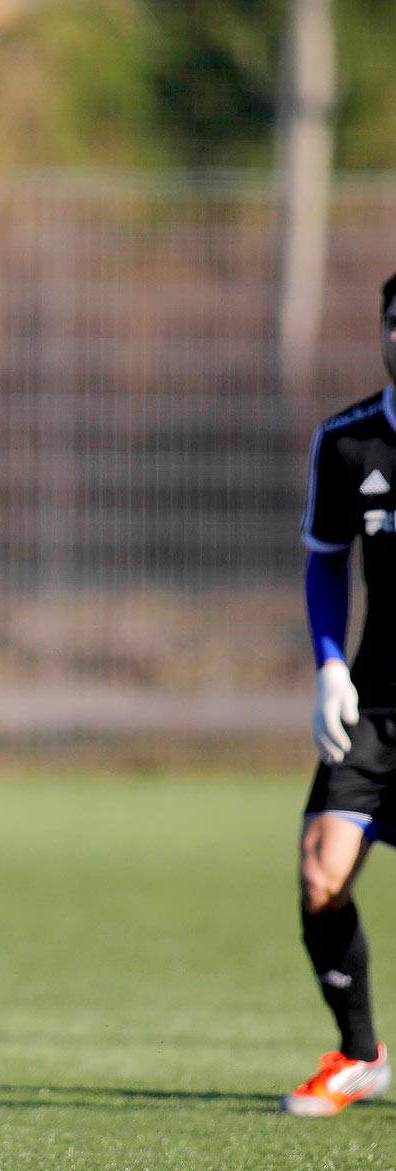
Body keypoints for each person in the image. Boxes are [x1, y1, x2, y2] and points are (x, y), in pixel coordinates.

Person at [286, 271, 396, 1116]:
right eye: (395, 322)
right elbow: (327, 558)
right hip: (377, 703)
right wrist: (329, 664)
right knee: (321, 874)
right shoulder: (350, 440)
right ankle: (360, 1056)